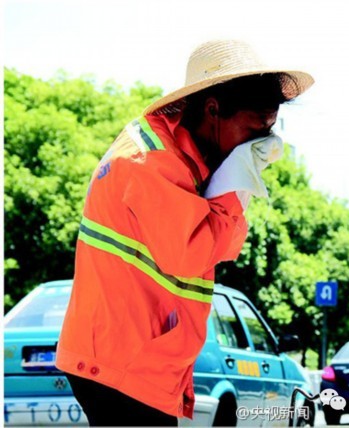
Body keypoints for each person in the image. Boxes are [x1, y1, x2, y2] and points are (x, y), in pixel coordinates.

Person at [55, 39, 314, 426]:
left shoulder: (190, 157)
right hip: (121, 363)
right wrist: (234, 187)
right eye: (253, 129)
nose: (261, 143)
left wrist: (231, 179)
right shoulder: (151, 160)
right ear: (213, 109)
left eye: (269, 128)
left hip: (134, 360)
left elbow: (222, 247)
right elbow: (193, 255)